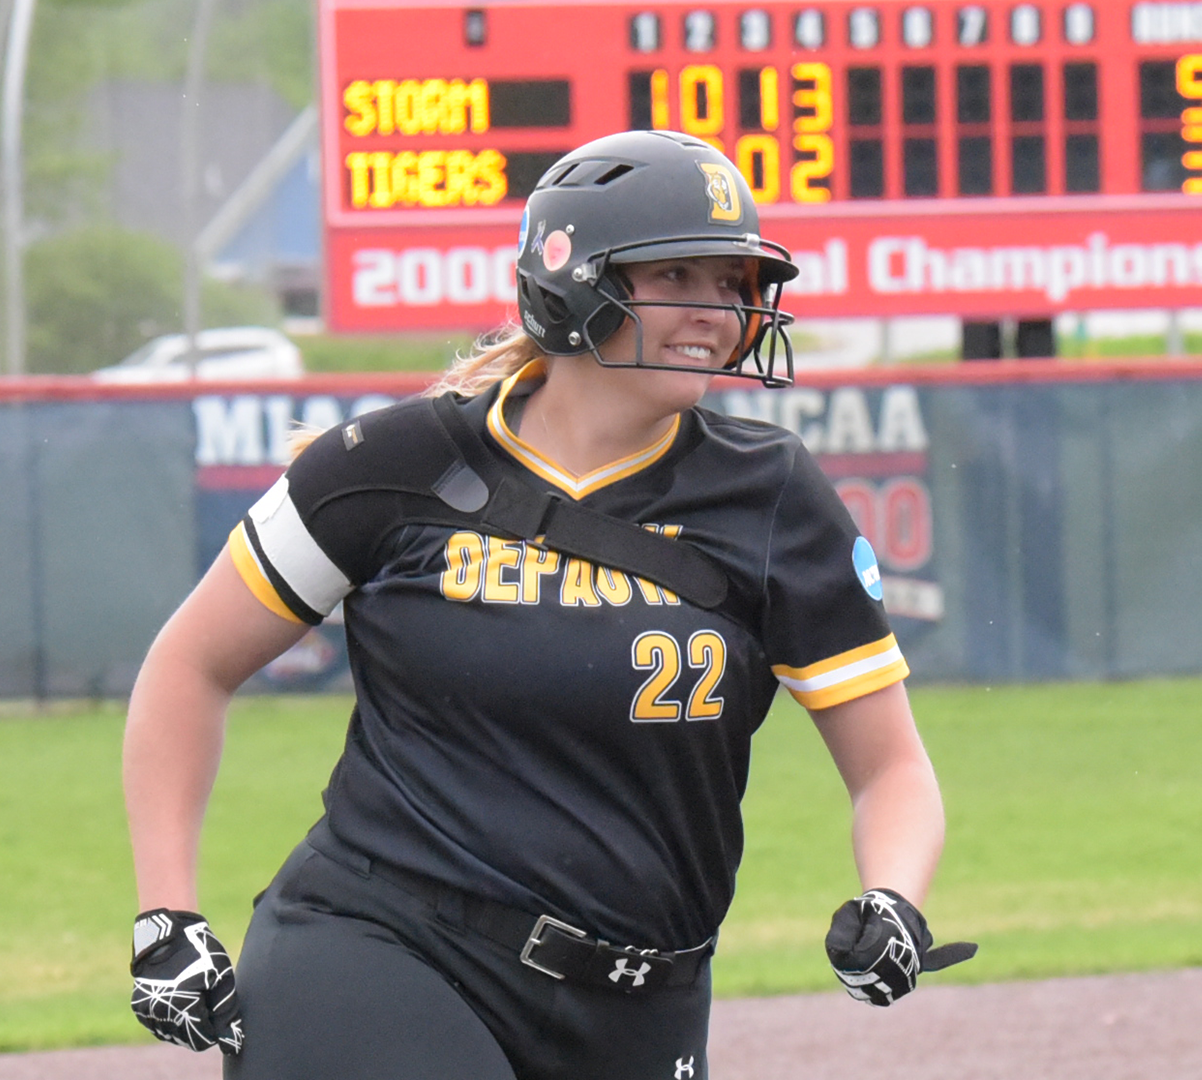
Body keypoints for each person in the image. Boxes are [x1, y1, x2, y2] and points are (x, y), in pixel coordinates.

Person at [121, 129, 972, 1080]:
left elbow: (891, 769)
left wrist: (894, 897)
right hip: (383, 944)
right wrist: (169, 914)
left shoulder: (771, 499)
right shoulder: (396, 465)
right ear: (574, 284)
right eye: (679, 277)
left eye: (733, 285)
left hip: (642, 1000)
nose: (718, 312)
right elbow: (189, 666)